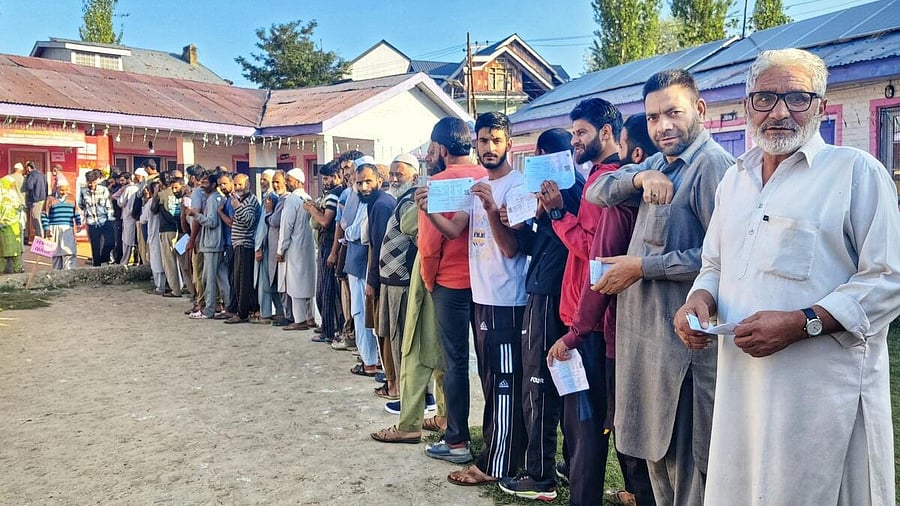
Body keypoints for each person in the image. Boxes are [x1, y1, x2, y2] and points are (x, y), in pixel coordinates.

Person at [673, 48, 900, 506]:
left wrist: (802, 322)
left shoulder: (856, 173)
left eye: (797, 97)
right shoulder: (734, 181)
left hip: (820, 402)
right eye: (765, 98)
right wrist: (698, 299)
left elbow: (888, 279)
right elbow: (714, 263)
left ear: (819, 104)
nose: (779, 112)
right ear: (747, 104)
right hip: (742, 390)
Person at [585, 69, 734, 506]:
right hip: (647, 345)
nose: (662, 125)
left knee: (689, 466)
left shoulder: (712, 168)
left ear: (700, 110)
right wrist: (638, 179)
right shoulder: (657, 163)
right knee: (656, 457)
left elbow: (722, 258)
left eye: (673, 112)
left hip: (683, 349)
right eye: (653, 117)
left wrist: (643, 267)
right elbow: (597, 192)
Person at [547, 112, 659, 506]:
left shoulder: (611, 191)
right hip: (629, 326)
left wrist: (559, 214)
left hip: (599, 324)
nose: (575, 140)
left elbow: (598, 264)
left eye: (581, 132)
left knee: (591, 427)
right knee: (630, 429)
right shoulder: (649, 190)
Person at [496, 128, 583, 502]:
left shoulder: (569, 192)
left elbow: (569, 243)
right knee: (561, 382)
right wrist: (513, 221)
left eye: (542, 157)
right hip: (552, 292)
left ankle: (540, 475)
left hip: (549, 295)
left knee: (539, 382)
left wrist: (549, 209)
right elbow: (537, 245)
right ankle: (562, 463)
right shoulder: (558, 196)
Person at [415, 118, 486, 466]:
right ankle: (498, 436)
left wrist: (430, 281)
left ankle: (457, 441)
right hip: (488, 285)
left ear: (442, 149)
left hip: (450, 284)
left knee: (456, 362)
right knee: (490, 363)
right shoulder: (485, 177)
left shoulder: (437, 185)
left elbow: (429, 246)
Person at [372, 153, 419, 398]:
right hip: (391, 281)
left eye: (398, 174)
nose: (393, 179)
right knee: (392, 338)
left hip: (402, 282)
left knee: (401, 341)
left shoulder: (410, 203)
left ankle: (404, 395)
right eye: (391, 174)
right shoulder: (400, 202)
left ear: (415, 176)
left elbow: (419, 240)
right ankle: (398, 390)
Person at [346, 156, 396, 375]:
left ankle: (379, 371)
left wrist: (372, 281)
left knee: (371, 321)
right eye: (359, 183)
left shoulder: (381, 205)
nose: (364, 187)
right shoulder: (372, 202)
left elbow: (377, 246)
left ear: (379, 181)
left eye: (368, 182)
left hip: (374, 272)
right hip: (366, 267)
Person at [304, 161, 343, 341]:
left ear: (336, 176)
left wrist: (312, 209)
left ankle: (329, 331)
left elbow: (326, 221)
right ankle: (329, 327)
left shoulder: (335, 195)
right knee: (324, 290)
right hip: (326, 244)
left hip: (329, 244)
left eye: (327, 178)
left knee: (325, 290)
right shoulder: (332, 194)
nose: (325, 182)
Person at [276, 168, 317, 330]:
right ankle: (310, 318)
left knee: (296, 284)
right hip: (308, 247)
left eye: (289, 179)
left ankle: (299, 320)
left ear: (298, 182)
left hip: (294, 247)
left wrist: (281, 249)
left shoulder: (292, 199)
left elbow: (286, 226)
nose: (286, 182)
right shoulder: (307, 197)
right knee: (307, 283)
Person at [189, 171, 230, 320]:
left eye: (206, 182)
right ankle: (228, 306)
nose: (202, 184)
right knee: (221, 277)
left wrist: (195, 215)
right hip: (215, 243)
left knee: (208, 278)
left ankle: (210, 309)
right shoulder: (218, 198)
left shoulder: (213, 199)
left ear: (213, 185)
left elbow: (212, 222)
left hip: (212, 244)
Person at [223, 173, 260, 323]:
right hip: (238, 244)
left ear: (248, 185)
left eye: (240, 184)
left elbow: (249, 221)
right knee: (238, 280)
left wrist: (237, 208)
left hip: (245, 245)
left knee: (243, 281)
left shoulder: (250, 201)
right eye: (236, 184)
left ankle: (242, 313)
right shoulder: (240, 200)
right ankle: (246, 310)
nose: (238, 187)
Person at [252, 170, 284, 324]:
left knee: (266, 282)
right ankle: (279, 312)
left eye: (266, 179)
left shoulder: (271, 198)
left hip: (267, 247)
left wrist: (258, 247)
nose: (262, 182)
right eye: (261, 179)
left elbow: (265, 225)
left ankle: (265, 314)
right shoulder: (269, 197)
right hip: (268, 246)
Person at [152, 171, 183, 297]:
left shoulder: (161, 194)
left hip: (166, 230)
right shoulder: (178, 192)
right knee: (181, 261)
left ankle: (175, 290)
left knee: (169, 261)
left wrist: (155, 194)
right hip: (180, 229)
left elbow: (153, 210)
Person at [41, 176, 82, 270]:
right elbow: (44, 214)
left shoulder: (71, 198)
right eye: (61, 190)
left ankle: (69, 274)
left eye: (66, 190)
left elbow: (76, 212)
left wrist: (78, 223)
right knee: (56, 255)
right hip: (54, 228)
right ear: (57, 189)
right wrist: (46, 229)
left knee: (69, 252)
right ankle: (56, 276)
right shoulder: (50, 199)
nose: (64, 192)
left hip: (67, 228)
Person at [79, 169, 116, 266]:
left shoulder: (103, 190)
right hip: (92, 222)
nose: (91, 185)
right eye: (89, 183)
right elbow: (81, 205)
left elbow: (109, 205)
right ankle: (96, 266)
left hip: (105, 220)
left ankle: (104, 258)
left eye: (93, 182)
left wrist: (110, 218)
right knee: (95, 247)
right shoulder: (83, 191)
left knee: (110, 242)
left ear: (96, 181)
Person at [113, 172, 139, 265]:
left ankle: (125, 261)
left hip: (128, 217)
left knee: (127, 241)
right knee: (137, 240)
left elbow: (120, 202)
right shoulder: (139, 187)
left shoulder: (129, 189)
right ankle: (137, 261)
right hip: (136, 217)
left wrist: (121, 193)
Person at [0, 174, 24, 274]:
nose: (12, 187)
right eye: (10, 185)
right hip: (6, 227)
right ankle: (5, 268)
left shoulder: (12, 195)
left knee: (12, 249)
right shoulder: (4, 196)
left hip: (12, 227)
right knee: (4, 250)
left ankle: (16, 268)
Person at [22, 161, 47, 245]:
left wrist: (27, 178)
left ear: (29, 168)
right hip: (43, 199)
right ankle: (42, 238)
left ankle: (40, 241)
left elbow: (29, 186)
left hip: (35, 200)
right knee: (40, 219)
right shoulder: (42, 175)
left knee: (36, 220)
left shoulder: (32, 175)